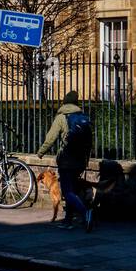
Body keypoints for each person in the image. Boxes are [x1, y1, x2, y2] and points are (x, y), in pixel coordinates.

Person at [37, 91, 95, 231]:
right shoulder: (83, 117)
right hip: (80, 161)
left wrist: (41, 152)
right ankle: (68, 221)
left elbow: (51, 137)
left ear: (64, 102)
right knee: (72, 190)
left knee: (68, 191)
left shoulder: (61, 117)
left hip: (67, 160)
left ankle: (85, 213)